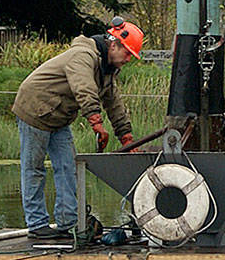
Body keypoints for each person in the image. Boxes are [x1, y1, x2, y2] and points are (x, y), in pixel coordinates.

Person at [11, 17, 143, 238]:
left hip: (58, 117)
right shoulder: (83, 56)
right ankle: (36, 225)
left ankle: (68, 223)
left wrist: (127, 139)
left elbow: (115, 104)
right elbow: (84, 88)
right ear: (113, 45)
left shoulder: (107, 69)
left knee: (68, 167)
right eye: (127, 53)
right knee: (34, 169)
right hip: (34, 109)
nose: (128, 59)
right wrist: (96, 123)